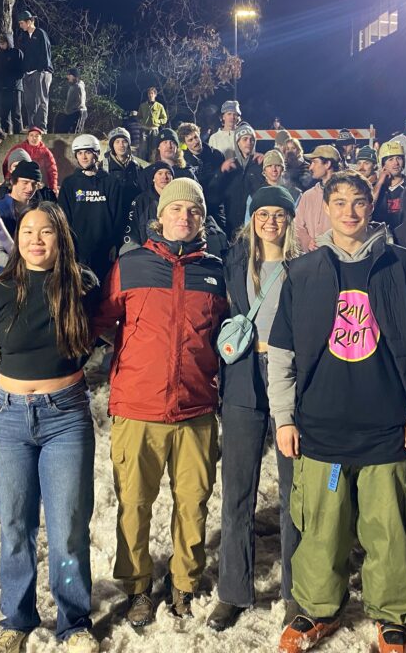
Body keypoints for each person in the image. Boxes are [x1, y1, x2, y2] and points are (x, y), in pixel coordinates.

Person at [268, 170, 406, 653]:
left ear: (372, 206)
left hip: (387, 430)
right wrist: (284, 418)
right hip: (321, 432)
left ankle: (393, 614)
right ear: (325, 208)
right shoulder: (303, 272)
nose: (350, 211)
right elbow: (282, 355)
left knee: (389, 532)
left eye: (359, 201)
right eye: (340, 202)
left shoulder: (404, 267)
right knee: (322, 531)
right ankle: (317, 609)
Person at [94, 178, 229, 628]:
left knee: (193, 502)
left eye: (193, 211)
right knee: (134, 503)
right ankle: (137, 587)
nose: (184, 217)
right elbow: (100, 319)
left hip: (196, 408)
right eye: (176, 209)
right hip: (138, 408)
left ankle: (184, 582)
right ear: (160, 215)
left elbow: (226, 332)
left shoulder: (215, 271)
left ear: (202, 219)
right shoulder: (131, 264)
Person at [0, 201, 101, 653]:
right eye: (27, 231)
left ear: (60, 237)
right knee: (15, 527)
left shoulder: (82, 286)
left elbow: (109, 329)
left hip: (67, 418)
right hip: (9, 421)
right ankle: (17, 620)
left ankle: (74, 623)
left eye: (45, 232)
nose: (35, 240)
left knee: (68, 528)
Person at [207, 185, 303, 633]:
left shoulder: (305, 265)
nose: (270, 221)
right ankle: (233, 590)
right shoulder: (232, 262)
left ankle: (295, 592)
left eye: (278, 214)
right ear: (252, 219)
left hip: (290, 380)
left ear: (290, 219)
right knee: (237, 490)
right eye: (262, 213)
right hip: (243, 376)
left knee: (293, 493)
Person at [59, 134, 128, 282]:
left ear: (96, 154)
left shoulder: (111, 182)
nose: (83, 157)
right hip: (77, 251)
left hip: (105, 250)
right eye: (80, 153)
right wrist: (67, 246)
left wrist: (115, 244)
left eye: (88, 152)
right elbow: (63, 217)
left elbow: (118, 217)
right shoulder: (69, 184)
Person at [0, 160, 42, 278]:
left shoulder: (36, 211)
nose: (30, 188)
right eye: (25, 182)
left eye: (34, 184)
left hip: (29, 277)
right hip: (4, 277)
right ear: (13, 181)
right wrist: (24, 266)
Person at [216, 124, 265, 237]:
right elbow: (215, 194)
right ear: (237, 142)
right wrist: (220, 172)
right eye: (245, 139)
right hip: (232, 224)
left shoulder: (260, 163)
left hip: (255, 223)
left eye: (252, 140)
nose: (249, 142)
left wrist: (267, 163)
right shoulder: (229, 166)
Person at [294, 144, 341, 252]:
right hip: (311, 257)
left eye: (314, 162)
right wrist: (307, 242)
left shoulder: (344, 194)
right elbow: (297, 226)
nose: (310, 167)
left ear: (327, 164)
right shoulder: (308, 196)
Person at [181, 121, 226, 228]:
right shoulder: (183, 161)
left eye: (196, 137)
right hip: (196, 206)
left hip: (217, 205)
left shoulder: (216, 155)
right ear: (185, 143)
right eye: (190, 140)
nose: (195, 141)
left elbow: (225, 180)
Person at [16, 10, 53, 130]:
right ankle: (32, 127)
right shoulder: (24, 37)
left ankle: (41, 127)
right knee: (29, 102)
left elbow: (45, 52)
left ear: (29, 22)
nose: (20, 26)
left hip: (41, 72)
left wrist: (41, 69)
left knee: (41, 100)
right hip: (28, 74)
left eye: (22, 23)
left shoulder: (40, 33)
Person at [2, 127, 59, 194]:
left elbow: (52, 171)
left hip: (36, 185)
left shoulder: (46, 152)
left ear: (41, 138)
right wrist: (8, 181)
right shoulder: (18, 148)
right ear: (28, 137)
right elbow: (6, 164)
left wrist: (53, 187)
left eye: (37, 136)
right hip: (17, 183)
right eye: (31, 135)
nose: (34, 138)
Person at [372, 138, 406, 232]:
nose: (396, 163)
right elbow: (368, 206)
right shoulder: (375, 187)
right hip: (379, 235)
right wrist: (379, 183)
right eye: (390, 159)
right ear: (383, 164)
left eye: (399, 158)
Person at [0, 33, 25, 134]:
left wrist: (13, 80)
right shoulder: (0, 56)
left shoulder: (17, 53)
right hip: (4, 88)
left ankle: (18, 133)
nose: (1, 46)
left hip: (15, 88)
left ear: (8, 42)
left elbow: (21, 70)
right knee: (4, 114)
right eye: (0, 44)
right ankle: (5, 134)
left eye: (3, 43)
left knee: (16, 113)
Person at [103, 126, 148, 194]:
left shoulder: (137, 167)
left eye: (124, 141)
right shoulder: (103, 167)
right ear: (112, 146)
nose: (121, 145)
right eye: (117, 142)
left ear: (128, 144)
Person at [59, 68, 87, 134]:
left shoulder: (78, 86)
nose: (67, 77)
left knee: (75, 134)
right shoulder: (73, 86)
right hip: (71, 113)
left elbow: (80, 103)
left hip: (77, 113)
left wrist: (71, 110)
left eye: (69, 75)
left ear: (74, 76)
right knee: (64, 132)